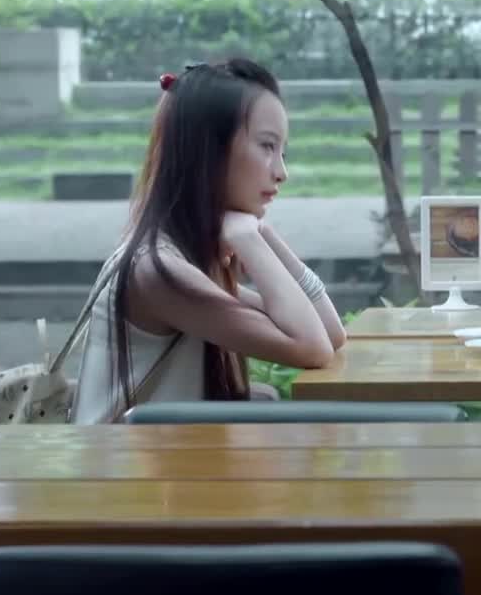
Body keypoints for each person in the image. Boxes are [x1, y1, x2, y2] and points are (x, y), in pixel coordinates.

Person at [70, 58, 346, 423]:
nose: (282, 172)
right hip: (126, 459)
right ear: (208, 151)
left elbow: (331, 333)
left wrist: (263, 234)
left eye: (283, 152)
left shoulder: (186, 259)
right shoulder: (157, 270)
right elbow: (312, 348)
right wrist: (248, 238)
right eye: (267, 146)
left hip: (162, 455)